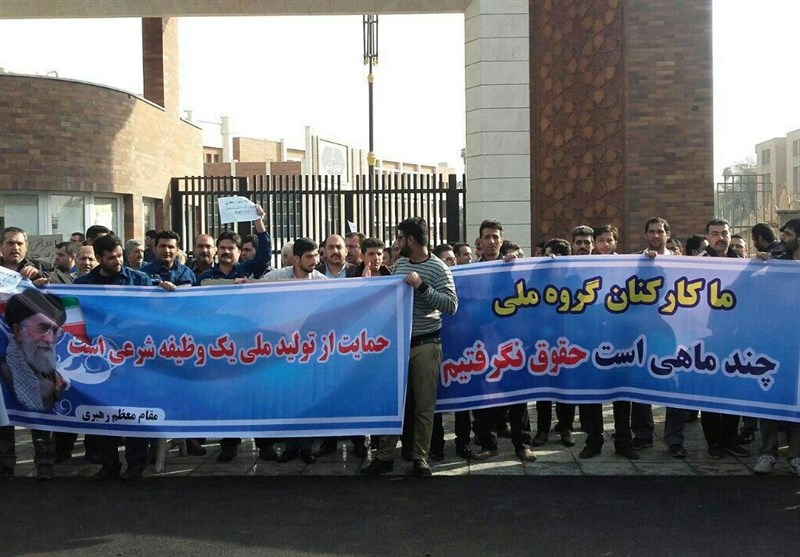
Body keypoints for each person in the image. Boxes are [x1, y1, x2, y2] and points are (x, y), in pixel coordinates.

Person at [361, 217, 458, 477]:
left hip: (426, 345)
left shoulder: (438, 268)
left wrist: (421, 286)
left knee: (424, 405)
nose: (397, 243)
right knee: (392, 402)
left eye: (400, 238)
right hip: (398, 345)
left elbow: (451, 305)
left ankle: (420, 457)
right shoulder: (401, 264)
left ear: (411, 240)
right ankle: (384, 456)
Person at [74, 234, 166, 481]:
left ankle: (136, 464)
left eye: (119, 256)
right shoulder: (83, 284)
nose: (117, 261)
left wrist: (165, 291)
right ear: (99, 258)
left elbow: (154, 309)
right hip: (99, 357)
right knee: (103, 411)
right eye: (111, 258)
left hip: (133, 357)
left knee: (134, 410)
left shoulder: (139, 279)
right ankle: (109, 464)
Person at [468, 219, 537, 462]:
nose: (491, 241)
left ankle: (522, 445)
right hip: (482, 341)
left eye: (495, 236)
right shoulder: (470, 272)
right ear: (480, 241)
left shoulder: (514, 267)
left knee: (517, 393)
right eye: (487, 237)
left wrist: (518, 265)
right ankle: (488, 443)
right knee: (484, 394)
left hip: (512, 341)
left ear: (501, 239)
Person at [261, 238, 327, 464]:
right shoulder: (277, 277)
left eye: (316, 255)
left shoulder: (321, 281)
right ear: (296, 259)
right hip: (284, 350)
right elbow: (256, 290)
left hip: (309, 351)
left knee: (308, 398)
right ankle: (290, 447)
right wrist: (244, 283)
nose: (315, 260)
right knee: (288, 398)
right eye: (309, 256)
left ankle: (306, 447)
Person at [577, 225, 638, 460]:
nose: (605, 244)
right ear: (594, 243)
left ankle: (623, 442)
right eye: (600, 240)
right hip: (590, 338)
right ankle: (594, 441)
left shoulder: (627, 266)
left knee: (622, 393)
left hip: (620, 338)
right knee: (591, 394)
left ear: (615, 242)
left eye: (609, 240)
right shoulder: (580, 267)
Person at [0, 288, 67, 480]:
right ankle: (5, 466)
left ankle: (45, 465)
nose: (50, 339)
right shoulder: (7, 366)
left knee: (41, 421)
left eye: (54, 331)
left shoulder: (50, 366)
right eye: (42, 328)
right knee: (4, 416)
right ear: (17, 331)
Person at [697, 218, 749, 459]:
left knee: (733, 390)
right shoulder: (697, 263)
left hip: (735, 336)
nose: (720, 237)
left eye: (724, 233)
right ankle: (714, 442)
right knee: (710, 391)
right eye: (715, 233)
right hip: (708, 336)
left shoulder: (742, 263)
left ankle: (730, 439)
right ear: (707, 237)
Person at [753, 218, 800, 476]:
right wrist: (758, 265)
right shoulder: (776, 262)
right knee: (769, 394)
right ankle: (768, 453)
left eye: (788, 234)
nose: (782, 238)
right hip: (775, 341)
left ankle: (796, 454)